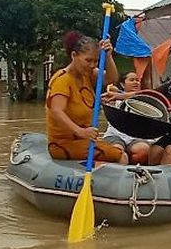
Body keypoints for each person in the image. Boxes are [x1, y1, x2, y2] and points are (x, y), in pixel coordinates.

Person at [45, 30, 126, 164]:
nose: (92, 65)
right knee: (120, 156)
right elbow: (57, 111)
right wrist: (80, 132)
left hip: (85, 141)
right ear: (74, 55)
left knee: (120, 151)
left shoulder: (88, 74)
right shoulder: (62, 79)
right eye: (88, 60)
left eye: (95, 61)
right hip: (63, 144)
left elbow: (111, 78)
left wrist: (108, 57)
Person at [101, 71, 153, 164]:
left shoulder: (144, 100)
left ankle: (131, 167)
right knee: (117, 152)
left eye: (137, 80)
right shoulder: (113, 97)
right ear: (122, 84)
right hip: (115, 135)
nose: (135, 82)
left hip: (135, 136)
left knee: (143, 151)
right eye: (132, 80)